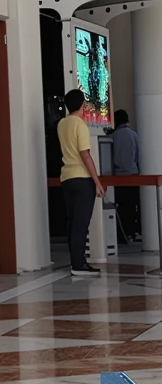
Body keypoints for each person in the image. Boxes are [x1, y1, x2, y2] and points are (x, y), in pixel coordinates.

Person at [58, 88, 104, 276]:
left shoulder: (62, 124)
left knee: (73, 222)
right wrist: (97, 182)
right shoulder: (80, 125)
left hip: (66, 177)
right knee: (81, 223)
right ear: (83, 105)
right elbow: (85, 155)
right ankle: (79, 265)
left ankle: (75, 261)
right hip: (82, 178)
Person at [113, 109, 141, 242]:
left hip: (117, 176)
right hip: (132, 174)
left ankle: (123, 233)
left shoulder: (113, 136)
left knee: (121, 206)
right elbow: (138, 156)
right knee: (132, 205)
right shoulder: (134, 135)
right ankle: (133, 232)